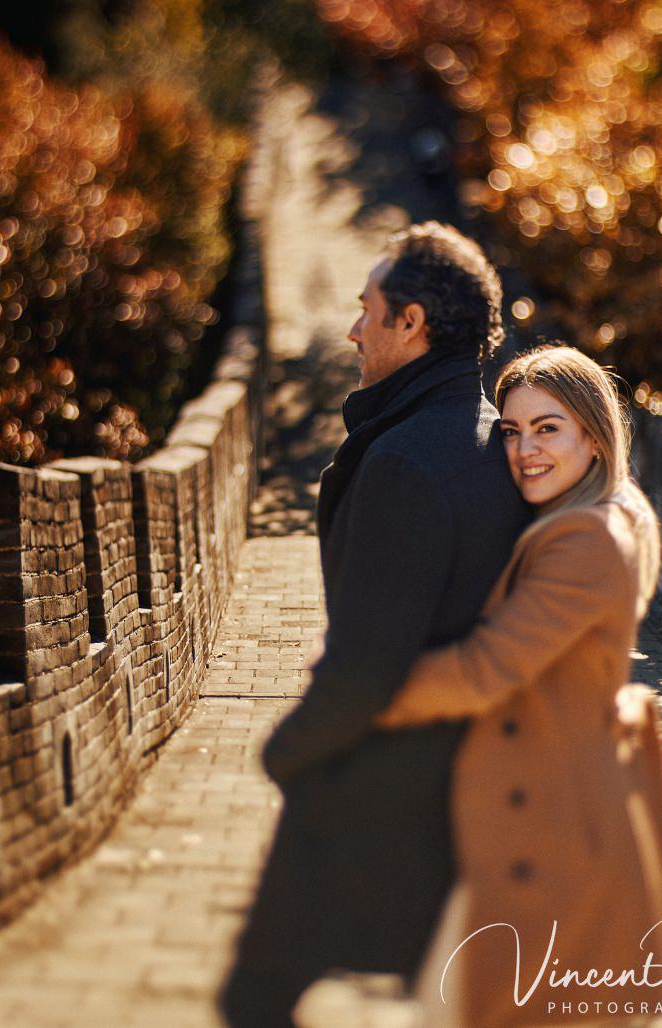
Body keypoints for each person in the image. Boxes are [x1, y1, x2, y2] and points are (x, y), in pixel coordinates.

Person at [221, 223, 531, 1027]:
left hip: (373, 790)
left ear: (412, 321)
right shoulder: (498, 445)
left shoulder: (401, 462)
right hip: (471, 792)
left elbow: (366, 663)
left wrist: (288, 752)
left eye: (368, 311)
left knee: (257, 997)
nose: (355, 330)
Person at [376, 345, 662, 1028]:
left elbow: (484, 670)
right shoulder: (601, 513)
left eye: (547, 428)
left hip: (551, 841)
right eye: (513, 431)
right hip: (551, 816)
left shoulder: (585, 540)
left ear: (594, 433)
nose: (525, 450)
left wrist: (364, 685)